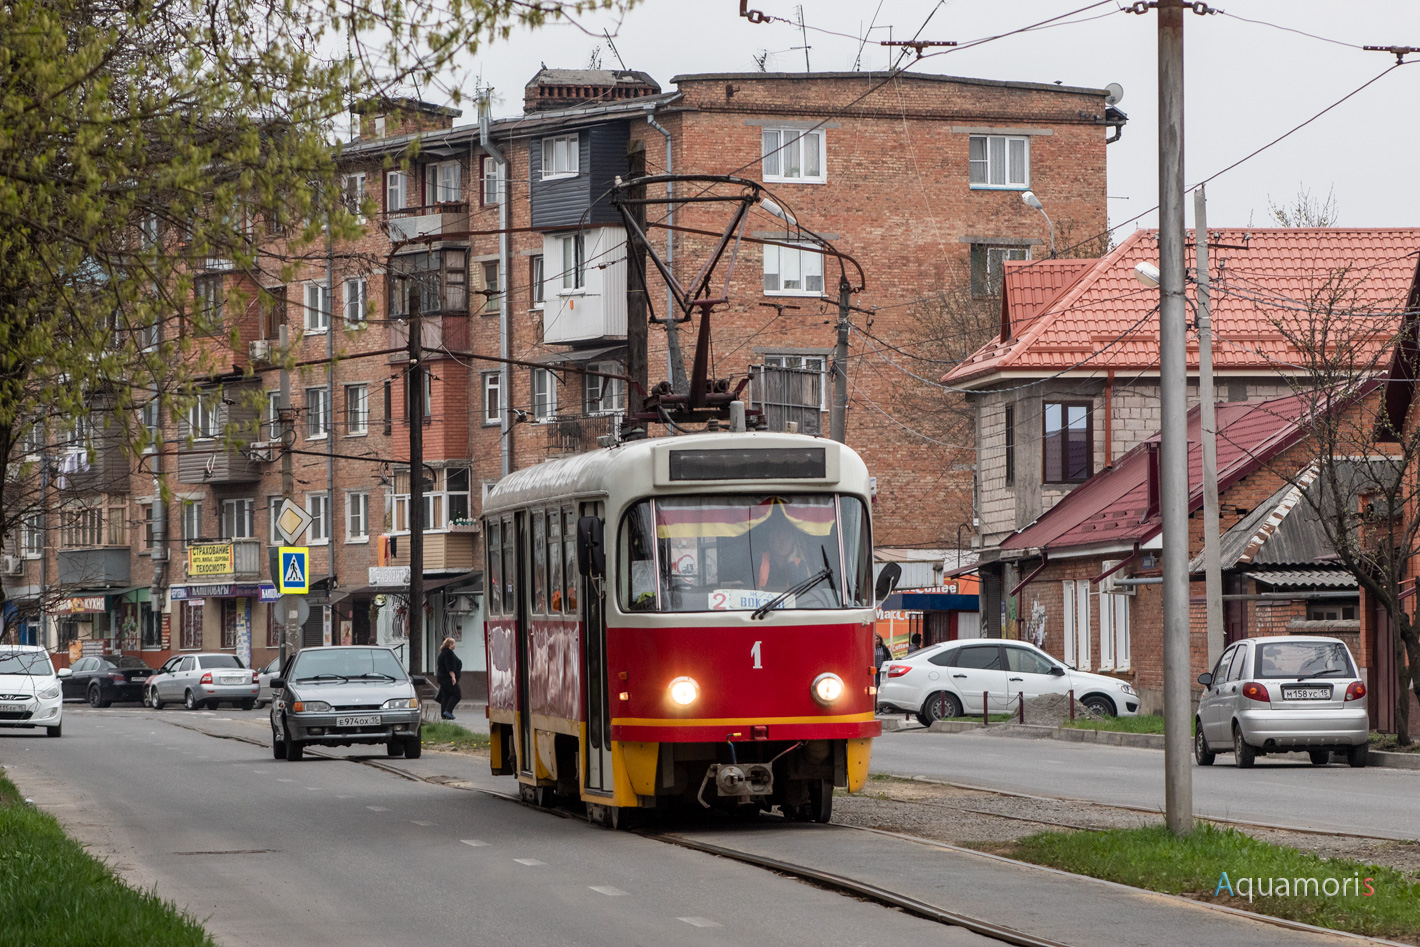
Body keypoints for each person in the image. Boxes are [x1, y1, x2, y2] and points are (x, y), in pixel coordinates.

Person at [435, 637, 462, 720]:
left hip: (441, 677)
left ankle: (444, 714)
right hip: (447, 678)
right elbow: (450, 666)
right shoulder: (448, 653)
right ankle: (448, 711)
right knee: (457, 694)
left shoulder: (443, 653)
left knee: (446, 695)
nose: (455, 645)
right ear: (450, 645)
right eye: (454, 643)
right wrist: (453, 677)